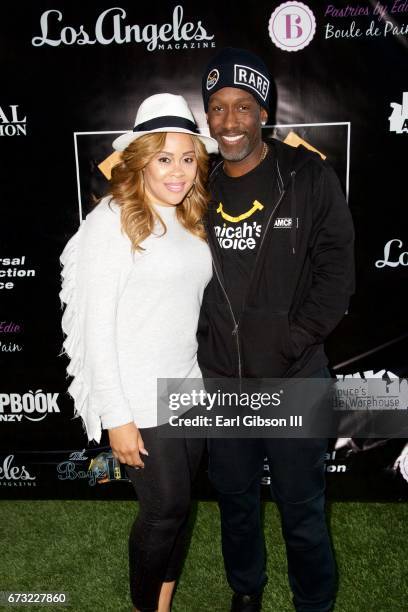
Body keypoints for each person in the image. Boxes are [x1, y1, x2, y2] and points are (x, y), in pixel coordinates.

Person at [197, 48, 355, 611]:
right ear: (207, 118)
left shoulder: (308, 176)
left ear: (265, 112)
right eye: (217, 108)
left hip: (295, 377)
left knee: (301, 506)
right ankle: (246, 590)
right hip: (223, 384)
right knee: (236, 502)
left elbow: (337, 272)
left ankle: (313, 602)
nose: (230, 121)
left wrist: (293, 339)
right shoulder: (197, 188)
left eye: (243, 107)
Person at [60, 93, 218, 612]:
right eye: (164, 158)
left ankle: (162, 606)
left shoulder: (190, 219)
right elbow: (94, 325)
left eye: (188, 158)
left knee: (179, 510)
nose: (178, 172)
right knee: (164, 509)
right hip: (138, 398)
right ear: (140, 160)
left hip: (187, 390)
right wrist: (116, 416)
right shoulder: (112, 220)